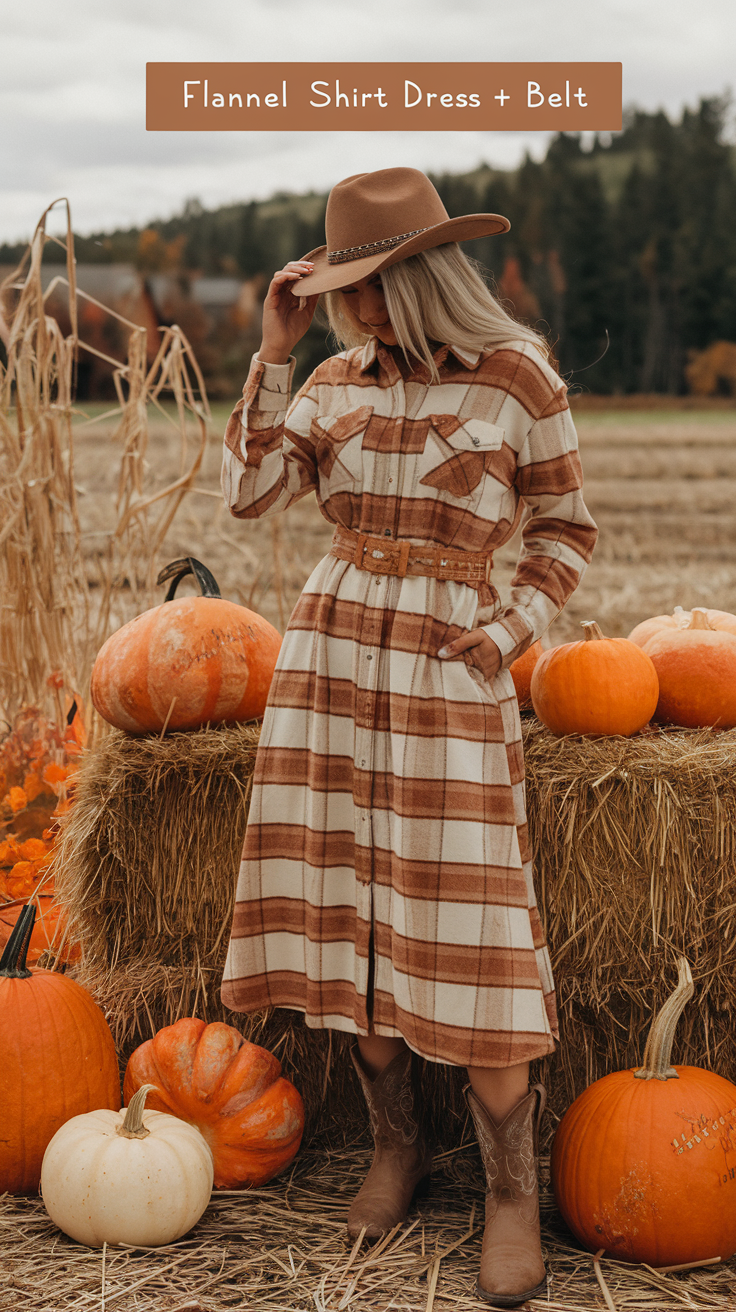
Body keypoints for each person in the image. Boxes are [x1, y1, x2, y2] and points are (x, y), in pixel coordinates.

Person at [220, 167, 598, 1309]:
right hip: (328, 667)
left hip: (448, 671)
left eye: (370, 285)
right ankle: (396, 1149)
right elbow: (247, 497)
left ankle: (510, 1190)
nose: (355, 307)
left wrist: (506, 634)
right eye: (341, 287)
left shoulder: (516, 377)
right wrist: (273, 349)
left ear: (424, 272)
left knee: (473, 927)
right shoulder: (328, 379)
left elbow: (564, 528)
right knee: (349, 910)